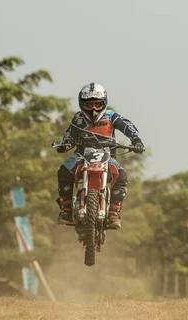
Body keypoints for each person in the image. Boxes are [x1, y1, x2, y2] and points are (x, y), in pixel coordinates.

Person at [54, 82, 144, 230]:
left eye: (97, 104)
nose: (94, 109)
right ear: (82, 105)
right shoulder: (77, 118)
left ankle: (114, 213)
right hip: (82, 155)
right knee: (63, 172)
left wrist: (136, 140)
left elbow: (127, 126)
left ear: (104, 103)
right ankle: (66, 211)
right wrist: (64, 145)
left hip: (107, 155)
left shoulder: (111, 116)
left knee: (121, 175)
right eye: (89, 105)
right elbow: (69, 135)